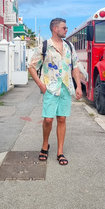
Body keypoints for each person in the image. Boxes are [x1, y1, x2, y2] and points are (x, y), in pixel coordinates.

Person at [28, 18, 82, 166]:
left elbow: (75, 66)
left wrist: (78, 86)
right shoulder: (44, 46)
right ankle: (45, 145)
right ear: (55, 29)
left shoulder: (69, 46)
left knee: (62, 119)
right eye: (64, 28)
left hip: (65, 87)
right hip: (50, 88)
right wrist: (40, 84)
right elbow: (31, 66)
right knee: (48, 119)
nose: (66, 30)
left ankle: (60, 152)